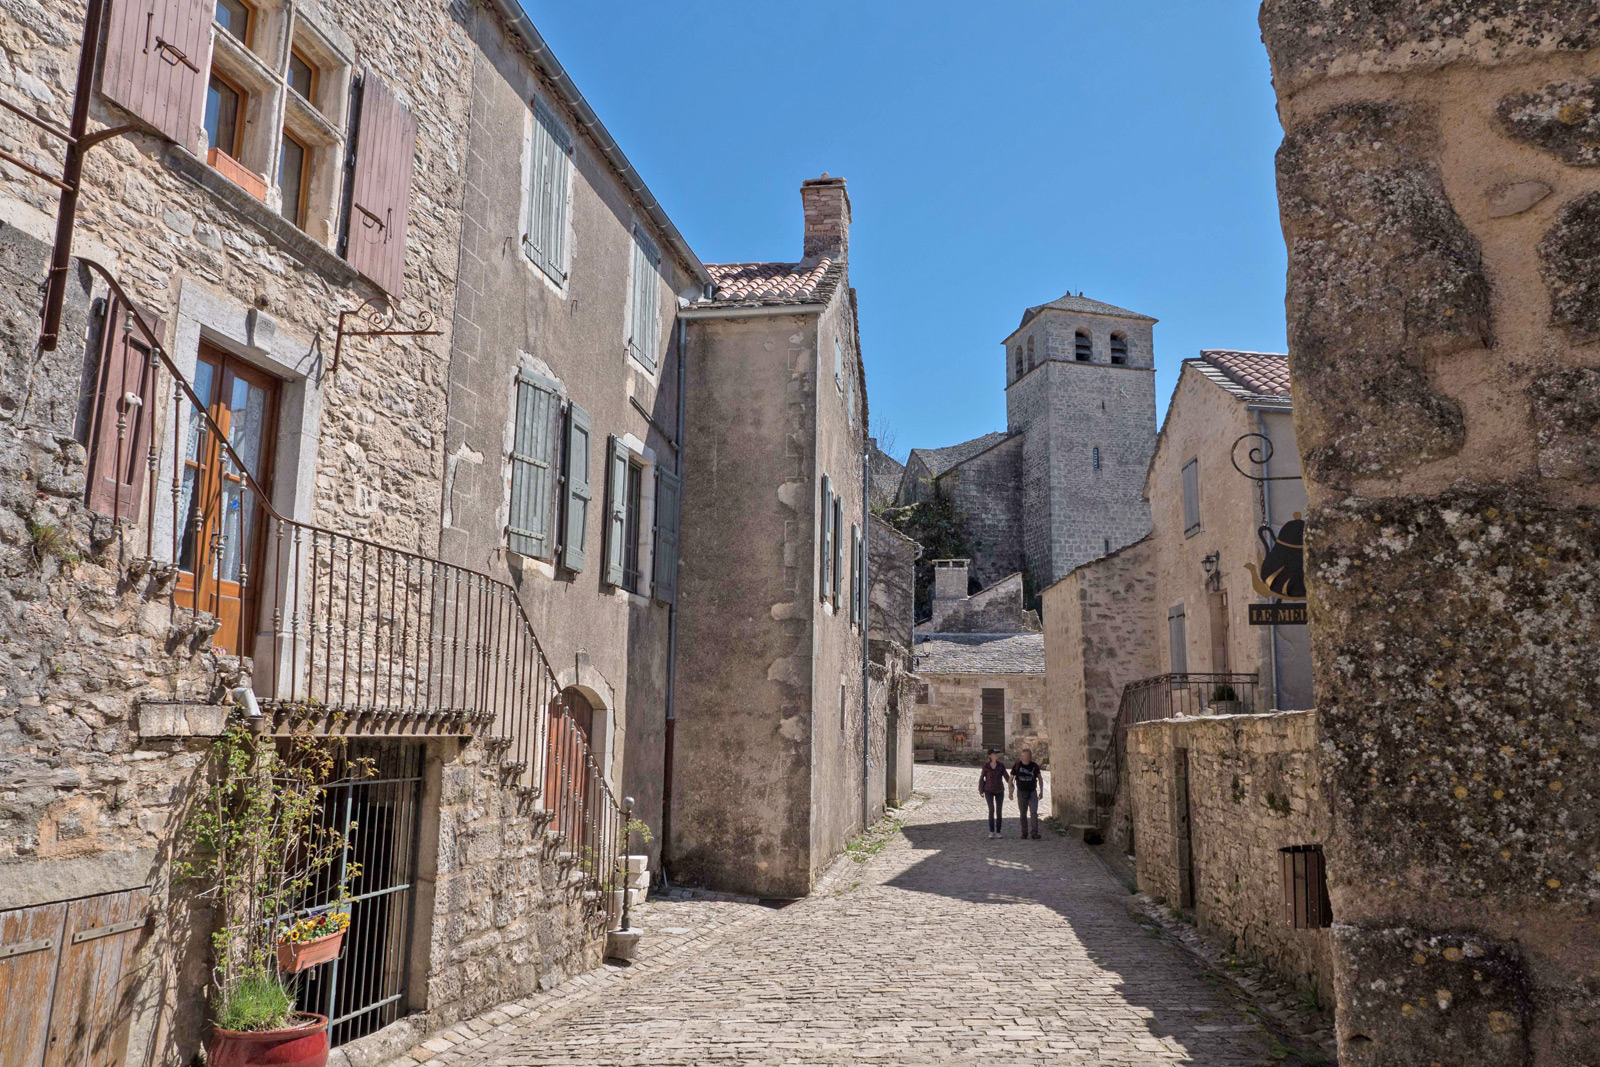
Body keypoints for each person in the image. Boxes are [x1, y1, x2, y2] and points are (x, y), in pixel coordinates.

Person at [977, 749, 1011, 839]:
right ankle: (991, 831)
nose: (996, 755)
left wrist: (1011, 785)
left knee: (999, 811)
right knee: (991, 810)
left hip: (999, 790)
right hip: (989, 790)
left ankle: (998, 831)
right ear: (990, 756)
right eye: (994, 754)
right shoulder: (986, 766)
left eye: (996, 754)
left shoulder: (1001, 766)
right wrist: (981, 789)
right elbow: (982, 778)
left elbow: (1006, 777)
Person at [1012, 749, 1044, 839]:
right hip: (1021, 792)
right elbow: (1011, 778)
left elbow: (1040, 778)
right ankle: (1024, 832)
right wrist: (1010, 790)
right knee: (1023, 813)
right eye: (1025, 756)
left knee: (1033, 812)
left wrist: (1041, 791)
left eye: (1028, 756)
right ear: (1022, 756)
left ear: (1030, 757)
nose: (1026, 758)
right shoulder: (1017, 765)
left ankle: (1034, 833)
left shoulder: (1034, 766)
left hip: (1032, 792)